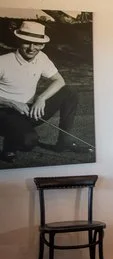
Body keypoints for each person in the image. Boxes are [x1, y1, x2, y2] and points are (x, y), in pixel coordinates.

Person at [0, 20, 85, 162]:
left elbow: (60, 80)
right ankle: (11, 144)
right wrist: (12, 103)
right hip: (4, 113)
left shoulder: (41, 58)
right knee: (28, 142)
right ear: (18, 40)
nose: (32, 48)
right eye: (27, 42)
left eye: (37, 44)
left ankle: (64, 142)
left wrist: (41, 98)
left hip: (30, 110)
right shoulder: (3, 62)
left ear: (43, 45)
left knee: (69, 92)